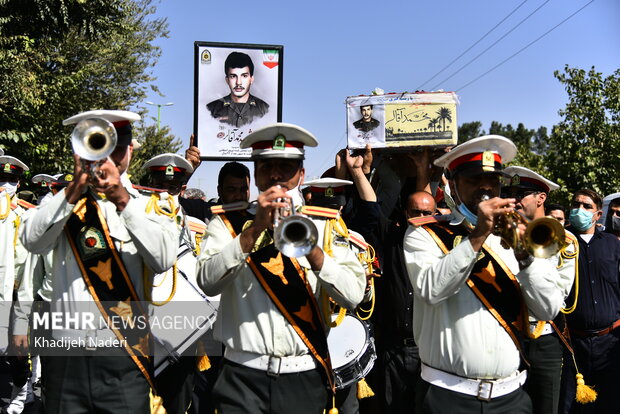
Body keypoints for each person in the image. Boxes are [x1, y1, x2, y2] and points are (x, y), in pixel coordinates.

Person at [197, 122, 366, 414]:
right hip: (242, 375)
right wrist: (253, 231)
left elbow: (353, 295)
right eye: (267, 167)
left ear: (301, 174)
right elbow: (208, 282)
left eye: (286, 167)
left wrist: (312, 249)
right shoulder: (226, 223)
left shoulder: (324, 224)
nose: (276, 175)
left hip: (303, 375)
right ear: (256, 174)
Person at [19, 110, 179, 414]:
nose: (108, 155)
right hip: (66, 355)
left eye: (116, 146)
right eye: (98, 144)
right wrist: (72, 190)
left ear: (130, 151)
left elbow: (163, 259)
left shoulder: (151, 206)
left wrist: (121, 199)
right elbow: (31, 240)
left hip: (123, 355)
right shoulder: (63, 202)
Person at [404, 135, 566, 413]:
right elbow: (430, 290)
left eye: (493, 181)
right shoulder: (426, 233)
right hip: (448, 395)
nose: (486, 188)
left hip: (512, 395)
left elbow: (548, 309)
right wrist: (479, 233)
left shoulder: (520, 234)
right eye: (473, 179)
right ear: (452, 184)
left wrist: (525, 256)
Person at [503, 166, 577, 414]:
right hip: (508, 335)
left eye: (521, 194)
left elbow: (559, 295)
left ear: (541, 198)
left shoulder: (564, 240)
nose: (513, 201)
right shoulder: (503, 233)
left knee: (547, 407)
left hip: (545, 338)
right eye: (510, 194)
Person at [559, 189, 620, 414]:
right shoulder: (559, 241)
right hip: (573, 344)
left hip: (610, 342)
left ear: (598, 214)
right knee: (569, 406)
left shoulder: (613, 245)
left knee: (611, 404)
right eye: (576, 204)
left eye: (586, 207)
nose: (579, 210)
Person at [0, 150, 35, 414]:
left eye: (11, 181)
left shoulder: (25, 216)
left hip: (15, 294)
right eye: (1, 179)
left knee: (16, 351)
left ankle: (21, 390)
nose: (6, 185)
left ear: (19, 184)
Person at [206, 51, 269, 128]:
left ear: (251, 79)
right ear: (227, 80)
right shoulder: (211, 109)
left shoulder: (265, 109)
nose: (238, 82)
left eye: (244, 76)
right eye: (233, 76)